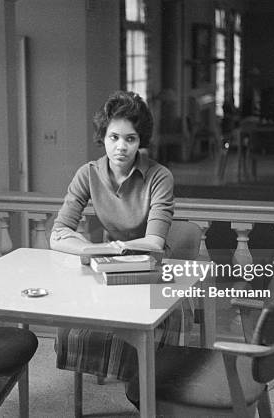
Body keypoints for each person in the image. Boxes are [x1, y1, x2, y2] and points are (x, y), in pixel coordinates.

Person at [50, 90, 180, 381]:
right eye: (114, 137)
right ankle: (116, 373)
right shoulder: (87, 174)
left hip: (151, 266)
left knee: (143, 328)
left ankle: (144, 387)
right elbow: (58, 233)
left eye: (130, 139)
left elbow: (154, 242)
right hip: (107, 261)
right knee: (73, 316)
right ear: (103, 137)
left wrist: (106, 249)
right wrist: (89, 250)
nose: (121, 147)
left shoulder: (160, 176)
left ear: (140, 141)